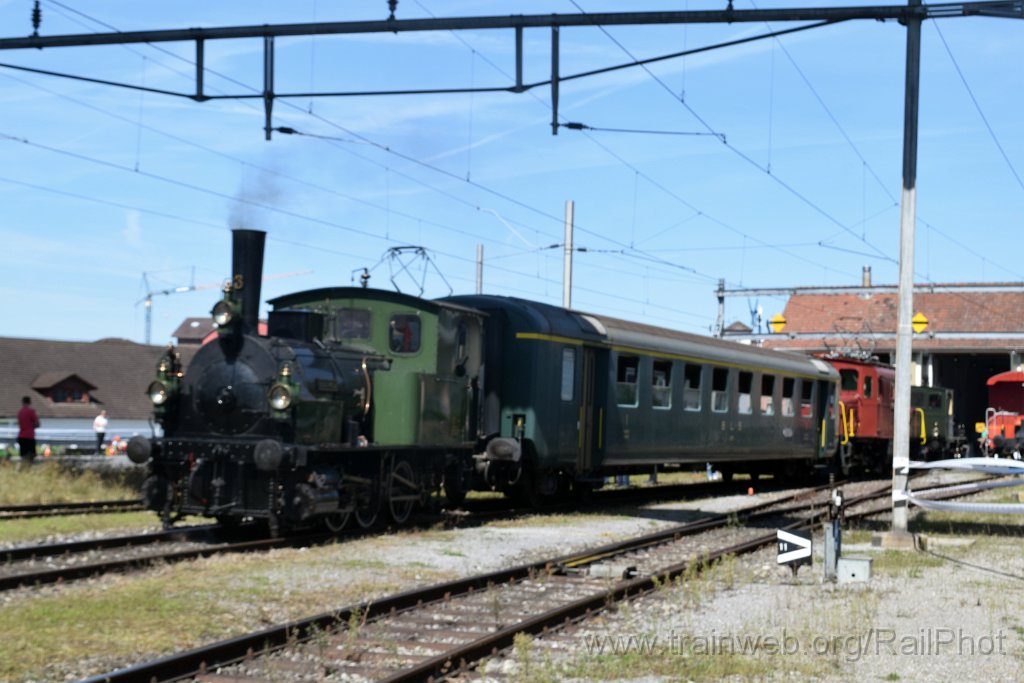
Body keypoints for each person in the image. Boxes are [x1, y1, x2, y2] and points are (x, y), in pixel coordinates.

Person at [17, 396, 40, 464]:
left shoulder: (20, 412)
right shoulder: (31, 412)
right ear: (30, 402)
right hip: (29, 437)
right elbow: (37, 424)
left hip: (21, 436)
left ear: (22, 402)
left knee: (23, 457)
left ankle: (23, 471)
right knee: (31, 457)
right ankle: (28, 471)